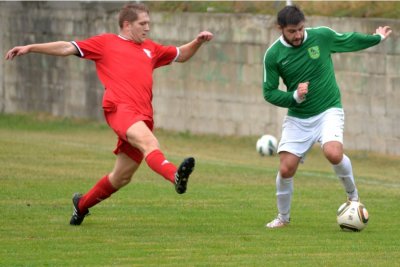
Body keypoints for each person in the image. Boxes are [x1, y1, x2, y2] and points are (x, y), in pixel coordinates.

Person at [5, 3, 213, 226]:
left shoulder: (151, 49)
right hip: (120, 109)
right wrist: (31, 47)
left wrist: (198, 42)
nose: (147, 28)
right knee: (150, 143)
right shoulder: (106, 43)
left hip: (142, 116)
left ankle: (81, 205)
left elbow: (181, 55)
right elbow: (67, 47)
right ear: (127, 25)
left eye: (149, 24)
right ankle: (175, 176)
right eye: (142, 24)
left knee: (121, 177)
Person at [262, 5, 392, 228]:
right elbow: (269, 92)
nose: (298, 35)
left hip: (328, 109)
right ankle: (283, 218)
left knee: (333, 152)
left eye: (301, 29)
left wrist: (377, 38)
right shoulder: (273, 55)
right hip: (299, 117)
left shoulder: (321, 36)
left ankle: (353, 197)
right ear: (280, 28)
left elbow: (349, 40)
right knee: (286, 169)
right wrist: (294, 97)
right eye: (292, 31)